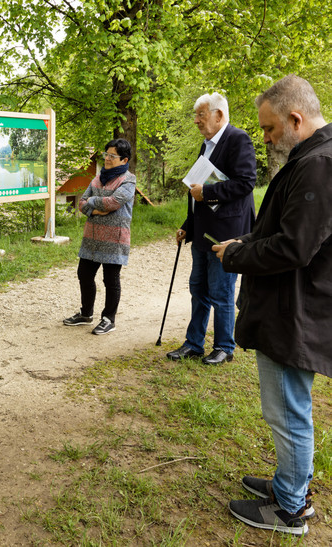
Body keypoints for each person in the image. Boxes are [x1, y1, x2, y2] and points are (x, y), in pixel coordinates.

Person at [214, 74, 331, 536]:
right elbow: (290, 231)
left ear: (295, 119)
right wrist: (244, 240)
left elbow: (295, 248)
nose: (264, 138)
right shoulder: (313, 157)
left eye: (268, 129)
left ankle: (290, 509)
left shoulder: (318, 164)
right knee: (286, 407)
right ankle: (289, 485)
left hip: (294, 313)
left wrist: (239, 254)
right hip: (292, 307)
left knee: (287, 410)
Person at [166, 92, 256, 365]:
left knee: (221, 291)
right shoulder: (206, 145)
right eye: (196, 115)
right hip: (203, 231)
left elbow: (246, 182)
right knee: (198, 289)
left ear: (219, 115)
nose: (196, 121)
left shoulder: (238, 139)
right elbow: (197, 191)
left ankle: (224, 347)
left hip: (227, 232)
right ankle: (194, 344)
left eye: (201, 115)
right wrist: (187, 226)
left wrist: (208, 192)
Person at [63, 139, 135, 335]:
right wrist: (94, 209)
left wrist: (93, 202)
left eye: (113, 156)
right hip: (92, 238)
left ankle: (108, 319)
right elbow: (81, 203)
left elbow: (113, 202)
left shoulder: (128, 180)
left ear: (124, 159)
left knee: (110, 279)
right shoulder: (97, 178)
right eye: (107, 155)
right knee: (84, 274)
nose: (108, 159)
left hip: (114, 239)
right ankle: (86, 314)